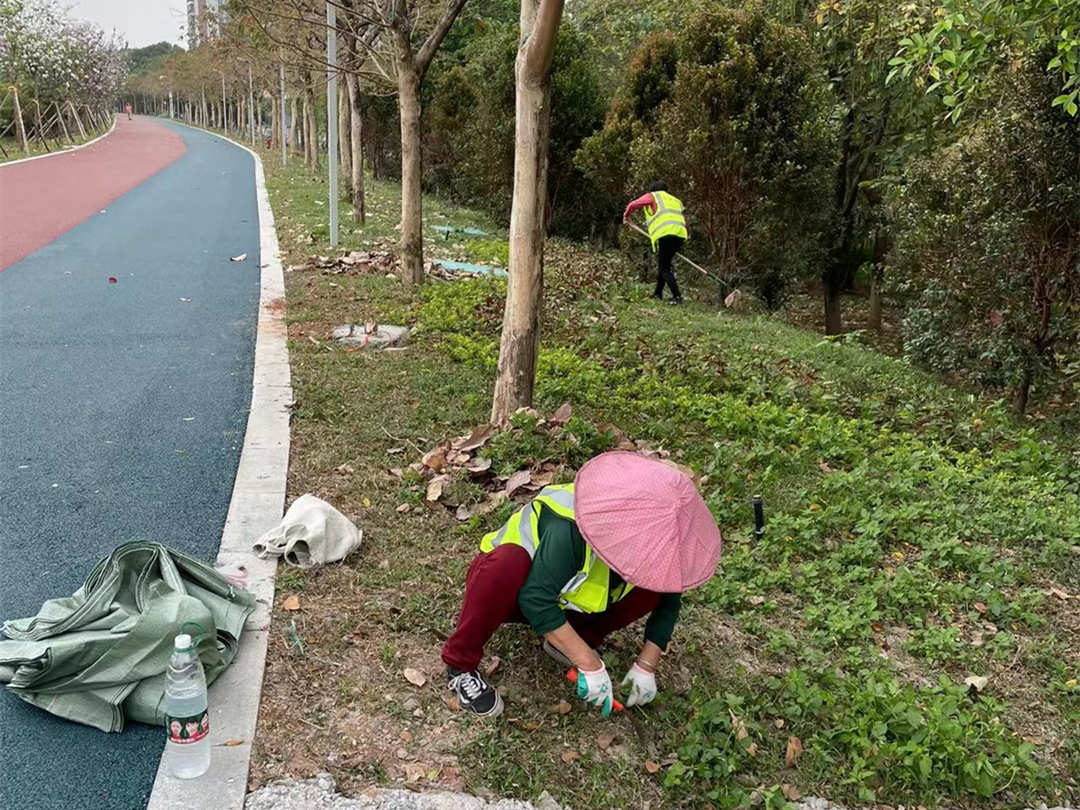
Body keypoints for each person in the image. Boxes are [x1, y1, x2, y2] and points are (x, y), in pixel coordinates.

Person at [441, 451, 723, 718]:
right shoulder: (570, 526)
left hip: (563, 600)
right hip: (510, 592)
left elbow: (669, 596)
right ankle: (460, 665)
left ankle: (571, 639)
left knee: (653, 588)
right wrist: (589, 663)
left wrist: (647, 665)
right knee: (506, 563)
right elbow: (535, 598)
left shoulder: (661, 545)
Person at [623, 182, 689, 304]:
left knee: (664, 268)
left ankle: (677, 296)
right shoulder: (675, 200)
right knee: (664, 265)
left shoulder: (653, 196)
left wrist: (626, 216)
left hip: (666, 233)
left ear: (653, 190)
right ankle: (658, 293)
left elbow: (633, 205)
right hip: (680, 234)